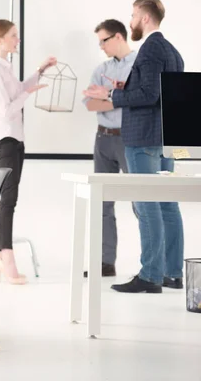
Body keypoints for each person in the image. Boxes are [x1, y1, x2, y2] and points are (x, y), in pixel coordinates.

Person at [84, 0, 184, 293]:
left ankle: (151, 276)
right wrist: (118, 88)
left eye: (132, 15)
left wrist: (114, 98)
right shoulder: (171, 51)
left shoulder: (150, 49)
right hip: (165, 138)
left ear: (143, 17)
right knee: (167, 204)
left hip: (142, 139)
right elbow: (158, 92)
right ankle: (173, 273)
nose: (130, 21)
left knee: (147, 204)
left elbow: (150, 95)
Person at [0, 19, 55, 284]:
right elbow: (7, 110)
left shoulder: (4, 68)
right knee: (7, 200)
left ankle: (3, 255)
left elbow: (18, 91)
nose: (17, 40)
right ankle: (5, 255)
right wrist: (28, 93)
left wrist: (40, 71)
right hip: (6, 139)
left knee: (12, 199)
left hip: (16, 139)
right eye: (13, 36)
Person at [82, 19, 137, 278]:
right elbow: (90, 105)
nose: (101, 46)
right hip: (103, 139)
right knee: (103, 204)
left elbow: (139, 101)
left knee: (142, 204)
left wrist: (106, 96)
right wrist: (113, 97)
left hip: (130, 139)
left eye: (103, 40)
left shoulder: (138, 66)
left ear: (118, 37)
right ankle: (105, 263)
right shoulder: (101, 68)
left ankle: (151, 266)